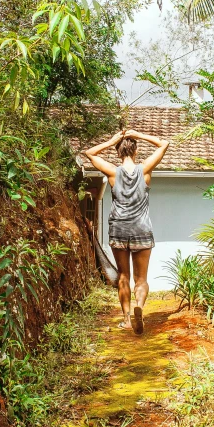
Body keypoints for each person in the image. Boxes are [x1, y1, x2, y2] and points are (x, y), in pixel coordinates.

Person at [84, 129, 169, 334]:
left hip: (119, 229)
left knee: (123, 276)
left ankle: (127, 319)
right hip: (141, 228)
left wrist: (110, 140)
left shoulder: (113, 172)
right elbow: (164, 143)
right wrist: (139, 134)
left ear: (118, 152)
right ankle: (139, 303)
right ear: (136, 151)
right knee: (141, 279)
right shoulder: (145, 169)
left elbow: (90, 153)